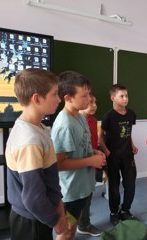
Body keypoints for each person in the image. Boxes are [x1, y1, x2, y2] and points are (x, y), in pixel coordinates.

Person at [5, 68, 69, 240]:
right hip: (32, 221)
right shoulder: (29, 141)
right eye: (54, 94)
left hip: (38, 215)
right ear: (36, 98)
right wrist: (56, 221)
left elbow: (46, 179)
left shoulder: (36, 127)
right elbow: (33, 197)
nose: (58, 99)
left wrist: (58, 203)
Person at [51, 71, 106, 240]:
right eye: (84, 96)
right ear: (68, 98)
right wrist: (91, 160)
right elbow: (58, 164)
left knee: (74, 226)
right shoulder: (65, 125)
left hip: (83, 186)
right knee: (66, 231)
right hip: (71, 192)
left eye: (89, 93)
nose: (89, 99)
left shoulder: (81, 116)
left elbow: (81, 147)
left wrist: (93, 153)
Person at [100, 83, 138, 226]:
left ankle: (125, 210)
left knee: (130, 184)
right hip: (113, 157)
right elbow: (100, 136)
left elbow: (128, 133)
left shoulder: (131, 114)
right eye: (121, 96)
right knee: (114, 187)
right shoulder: (108, 116)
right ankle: (114, 213)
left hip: (128, 155)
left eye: (126, 95)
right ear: (113, 98)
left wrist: (132, 144)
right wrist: (106, 150)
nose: (125, 99)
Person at [77, 92, 102, 237]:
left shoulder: (93, 120)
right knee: (75, 199)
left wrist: (98, 152)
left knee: (88, 195)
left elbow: (92, 143)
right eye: (90, 102)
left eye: (95, 102)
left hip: (91, 163)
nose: (94, 106)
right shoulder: (75, 121)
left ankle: (84, 223)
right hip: (79, 165)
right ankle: (72, 225)